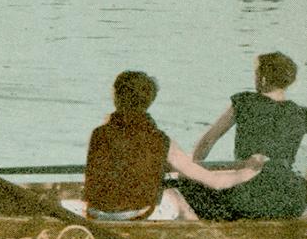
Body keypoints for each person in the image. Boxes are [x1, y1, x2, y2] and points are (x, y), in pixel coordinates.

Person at [78, 70, 265, 221]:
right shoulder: (161, 141)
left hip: (96, 214)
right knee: (173, 193)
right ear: (149, 102)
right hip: (135, 216)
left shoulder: (98, 134)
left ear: (115, 97)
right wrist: (248, 171)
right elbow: (215, 183)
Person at [182, 53, 307, 220]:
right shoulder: (301, 114)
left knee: (186, 183)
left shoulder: (245, 101)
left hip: (245, 196)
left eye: (255, 73)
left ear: (262, 79)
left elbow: (207, 141)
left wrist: (193, 169)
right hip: (290, 200)